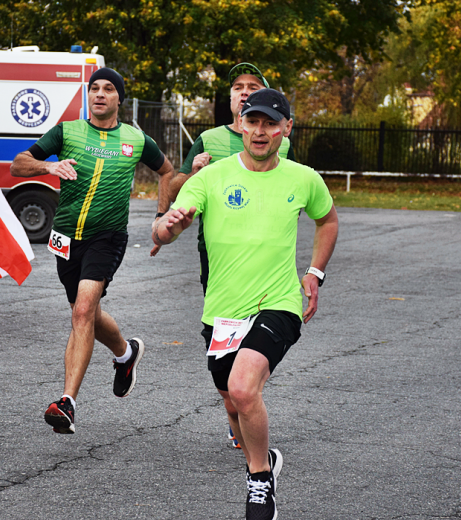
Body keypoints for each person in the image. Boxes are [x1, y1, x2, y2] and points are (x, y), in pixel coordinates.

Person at [152, 88, 338, 519]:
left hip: (279, 303)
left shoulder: (303, 178)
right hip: (222, 311)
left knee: (242, 387)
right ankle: (265, 457)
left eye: (270, 123)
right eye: (252, 121)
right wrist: (168, 226)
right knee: (233, 400)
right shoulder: (211, 178)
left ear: (285, 129)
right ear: (240, 124)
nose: (260, 131)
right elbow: (163, 234)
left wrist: (314, 273)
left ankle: (259, 481)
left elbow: (327, 219)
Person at [11, 67, 174, 434]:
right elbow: (17, 164)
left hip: (107, 236)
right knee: (85, 313)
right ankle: (126, 354)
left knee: (83, 310)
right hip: (66, 236)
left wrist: (162, 216)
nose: (99, 94)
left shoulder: (135, 139)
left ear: (119, 99)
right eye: (94, 88)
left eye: (108, 89)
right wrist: (48, 166)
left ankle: (66, 402)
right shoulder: (67, 132)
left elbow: (167, 172)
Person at [168, 62, 295, 450]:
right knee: (225, 357)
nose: (243, 91)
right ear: (233, 106)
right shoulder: (207, 138)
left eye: (252, 85)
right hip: (217, 258)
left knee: (246, 365)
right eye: (237, 86)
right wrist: (182, 191)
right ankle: (235, 402)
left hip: (267, 267)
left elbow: (286, 185)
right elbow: (175, 184)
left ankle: (244, 395)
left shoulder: (280, 142)